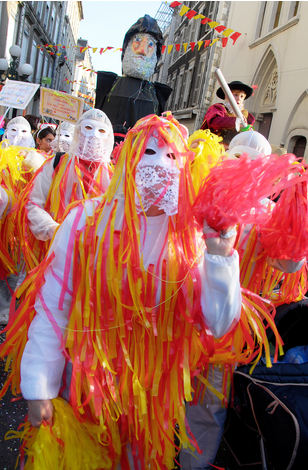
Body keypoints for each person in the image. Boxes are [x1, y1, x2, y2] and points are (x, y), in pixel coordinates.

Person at [2, 114, 244, 469]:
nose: (159, 164)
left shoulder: (192, 240)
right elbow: (54, 307)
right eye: (147, 152)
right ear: (128, 159)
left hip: (150, 409)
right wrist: (40, 387)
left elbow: (218, 324)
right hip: (84, 392)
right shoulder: (85, 221)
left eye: (171, 156)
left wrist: (221, 260)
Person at [181, 131, 307, 470]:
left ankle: (192, 463)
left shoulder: (268, 215)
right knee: (174, 390)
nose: (242, 168)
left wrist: (298, 216)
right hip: (184, 320)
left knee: (209, 404)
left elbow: (290, 263)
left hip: (230, 331)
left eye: (252, 163)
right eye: (235, 158)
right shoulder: (201, 200)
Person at [14, 108, 114, 271]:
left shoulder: (113, 176)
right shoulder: (56, 163)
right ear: (79, 131)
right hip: (53, 256)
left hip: (92, 265)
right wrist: (52, 229)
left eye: (101, 131)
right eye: (88, 128)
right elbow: (31, 202)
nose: (94, 135)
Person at [95, 15, 172, 144]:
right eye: (137, 40)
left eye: (150, 44)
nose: (142, 50)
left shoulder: (158, 94)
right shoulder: (108, 84)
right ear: (126, 47)